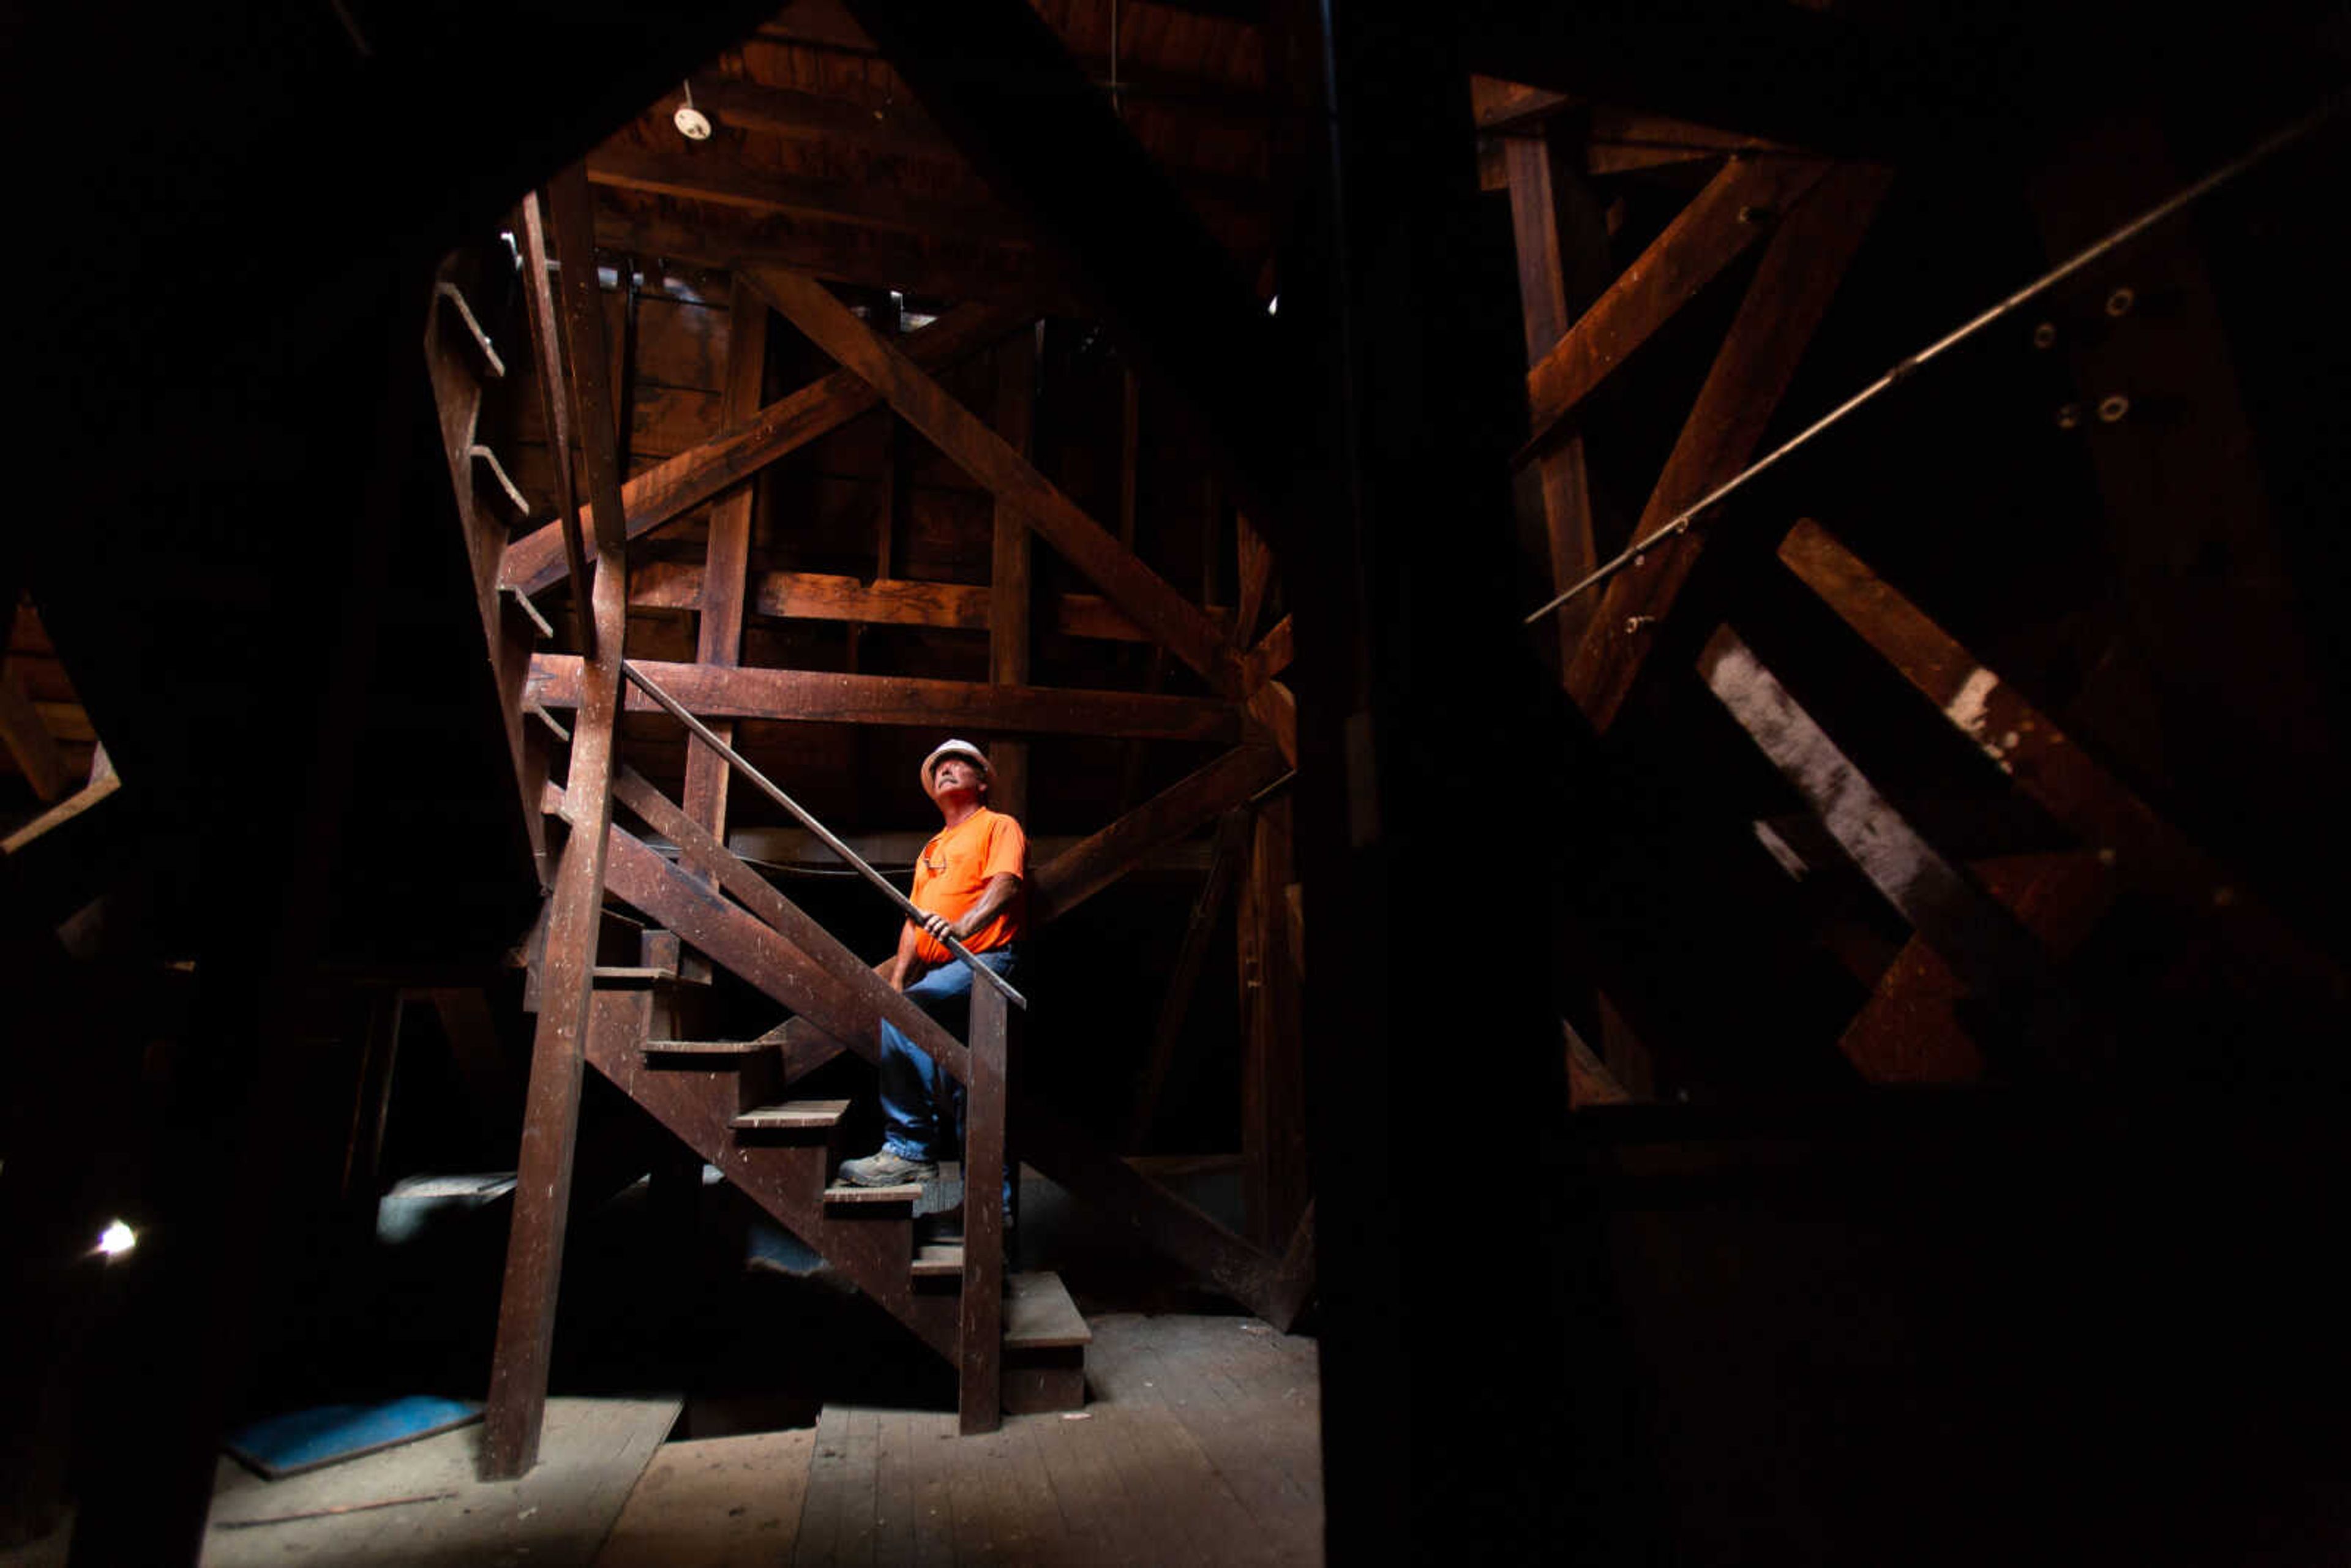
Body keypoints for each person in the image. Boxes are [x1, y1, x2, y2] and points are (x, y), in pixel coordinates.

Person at [838, 738, 1026, 1189]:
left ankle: (910, 1149)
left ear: (981, 783)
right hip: (946, 973)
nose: (945, 768)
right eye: (939, 766)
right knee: (964, 1084)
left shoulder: (998, 826)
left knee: (912, 1015)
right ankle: (989, 1209)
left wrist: (963, 926)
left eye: (959, 763)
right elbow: (914, 920)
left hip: (986, 960)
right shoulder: (931, 849)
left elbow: (1006, 885)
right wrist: (898, 980)